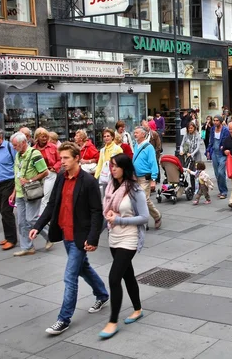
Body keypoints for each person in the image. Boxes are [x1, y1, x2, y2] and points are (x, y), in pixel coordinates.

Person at [30, 142, 109, 336]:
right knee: (83, 268)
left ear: (76, 158)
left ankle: (63, 319)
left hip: (80, 237)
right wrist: (37, 226)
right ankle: (102, 294)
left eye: (66, 158)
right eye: (61, 158)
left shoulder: (88, 181)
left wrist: (92, 239)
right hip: (65, 234)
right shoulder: (60, 178)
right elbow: (51, 204)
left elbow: (96, 212)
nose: (62, 162)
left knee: (70, 276)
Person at [98, 153, 148, 339]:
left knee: (114, 278)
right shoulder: (110, 187)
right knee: (127, 274)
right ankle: (137, 309)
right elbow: (106, 214)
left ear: (124, 168)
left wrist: (118, 219)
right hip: (114, 237)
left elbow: (144, 217)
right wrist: (94, 236)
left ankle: (112, 322)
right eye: (111, 165)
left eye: (116, 166)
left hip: (130, 238)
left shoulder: (135, 189)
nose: (113, 169)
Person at [9, 132, 51, 256]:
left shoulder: (35, 154)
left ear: (23, 143)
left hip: (31, 191)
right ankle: (27, 247)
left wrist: (30, 180)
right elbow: (18, 175)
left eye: (16, 145)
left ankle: (51, 235)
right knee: (21, 221)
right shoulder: (18, 155)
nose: (14, 147)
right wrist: (14, 192)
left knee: (31, 219)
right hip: (20, 192)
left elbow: (45, 172)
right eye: (13, 145)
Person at [132, 126, 162, 229]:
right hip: (136, 177)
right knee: (140, 199)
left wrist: (154, 179)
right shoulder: (136, 145)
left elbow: (153, 163)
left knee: (143, 199)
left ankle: (155, 216)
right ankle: (145, 219)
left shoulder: (149, 147)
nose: (134, 134)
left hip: (145, 178)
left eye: (137, 133)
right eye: (134, 133)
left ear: (143, 134)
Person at [34, 127, 61, 213]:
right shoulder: (33, 149)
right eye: (42, 137)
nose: (45, 139)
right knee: (38, 196)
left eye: (46, 136)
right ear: (37, 137)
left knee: (46, 197)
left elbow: (60, 160)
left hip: (50, 174)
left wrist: (54, 168)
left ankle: (42, 218)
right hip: (38, 175)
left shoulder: (53, 147)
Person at [206, 115, 230, 199]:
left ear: (220, 121)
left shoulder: (225, 130)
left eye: (217, 120)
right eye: (214, 120)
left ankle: (224, 191)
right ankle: (221, 190)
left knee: (221, 172)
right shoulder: (212, 129)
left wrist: (224, 147)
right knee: (216, 173)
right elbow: (210, 140)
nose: (215, 122)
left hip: (222, 153)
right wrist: (208, 150)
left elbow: (227, 141)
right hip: (214, 153)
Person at [180, 122, 202, 190]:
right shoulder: (186, 135)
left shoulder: (197, 135)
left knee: (196, 173)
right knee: (190, 172)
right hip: (189, 157)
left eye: (191, 128)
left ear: (194, 128)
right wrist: (181, 151)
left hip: (196, 156)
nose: (190, 129)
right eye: (189, 128)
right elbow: (182, 144)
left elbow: (198, 147)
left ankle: (199, 188)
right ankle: (193, 188)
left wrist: (192, 153)